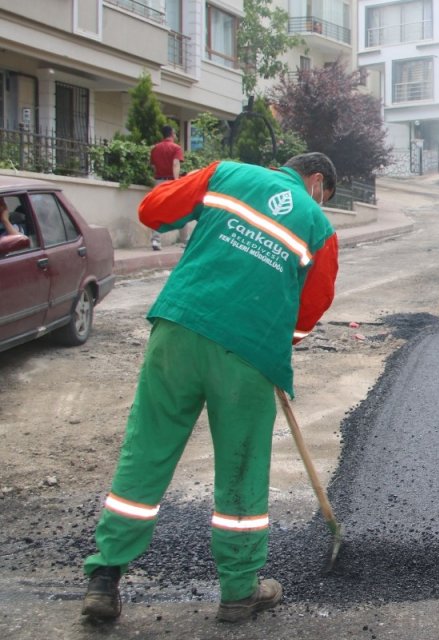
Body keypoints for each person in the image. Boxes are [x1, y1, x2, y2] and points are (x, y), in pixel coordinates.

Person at [80, 153, 340, 625]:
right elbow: (314, 302)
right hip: (249, 354)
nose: (320, 200)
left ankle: (105, 578)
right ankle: (239, 591)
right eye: (324, 193)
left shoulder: (227, 174)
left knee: (147, 450)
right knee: (241, 468)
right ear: (316, 180)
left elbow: (153, 210)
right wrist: (280, 342)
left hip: (179, 328)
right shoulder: (319, 226)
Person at [148, 125, 184, 251]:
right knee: (182, 209)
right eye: (175, 133)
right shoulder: (176, 148)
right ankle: (185, 240)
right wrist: (176, 181)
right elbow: (175, 164)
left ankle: (156, 240)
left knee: (157, 210)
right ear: (172, 134)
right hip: (171, 181)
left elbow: (153, 166)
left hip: (158, 181)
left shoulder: (155, 148)